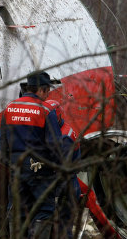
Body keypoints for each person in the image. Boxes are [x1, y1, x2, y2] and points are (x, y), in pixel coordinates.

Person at [0, 71, 65, 239]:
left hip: (17, 168)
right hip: (41, 171)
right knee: (44, 211)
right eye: (47, 90)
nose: (48, 94)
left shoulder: (10, 108)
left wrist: (10, 162)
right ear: (41, 90)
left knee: (17, 210)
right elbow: (55, 145)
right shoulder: (45, 110)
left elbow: (2, 141)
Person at [46, 99, 81, 239]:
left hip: (67, 185)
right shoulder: (64, 129)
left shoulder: (64, 137)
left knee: (63, 229)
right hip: (69, 183)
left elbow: (60, 167)